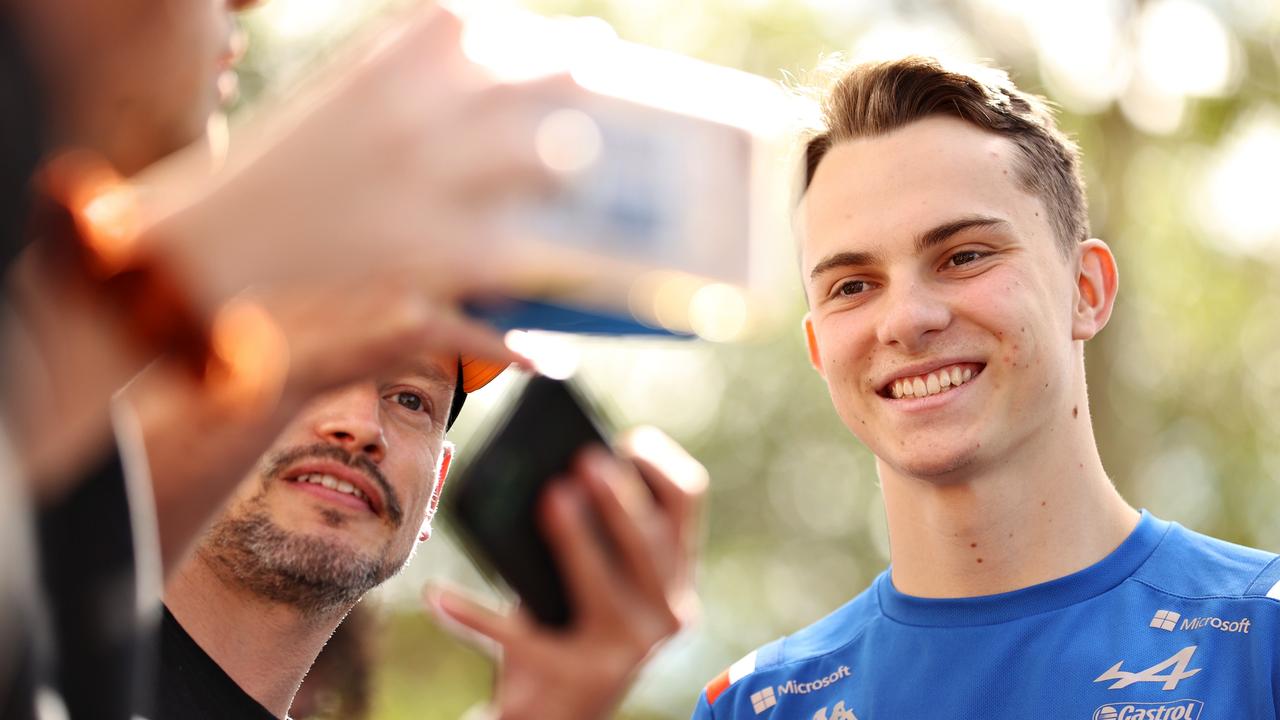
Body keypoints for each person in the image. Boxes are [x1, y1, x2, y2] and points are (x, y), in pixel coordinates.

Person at [693, 56, 1280, 719]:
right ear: (818, 351)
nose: (907, 320)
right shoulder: (755, 705)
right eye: (852, 285)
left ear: (1086, 291)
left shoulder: (1262, 642)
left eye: (964, 256)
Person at [153, 350, 705, 720]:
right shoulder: (67, 656)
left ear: (434, 490)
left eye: (410, 399)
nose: (361, 424)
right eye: (315, 365)